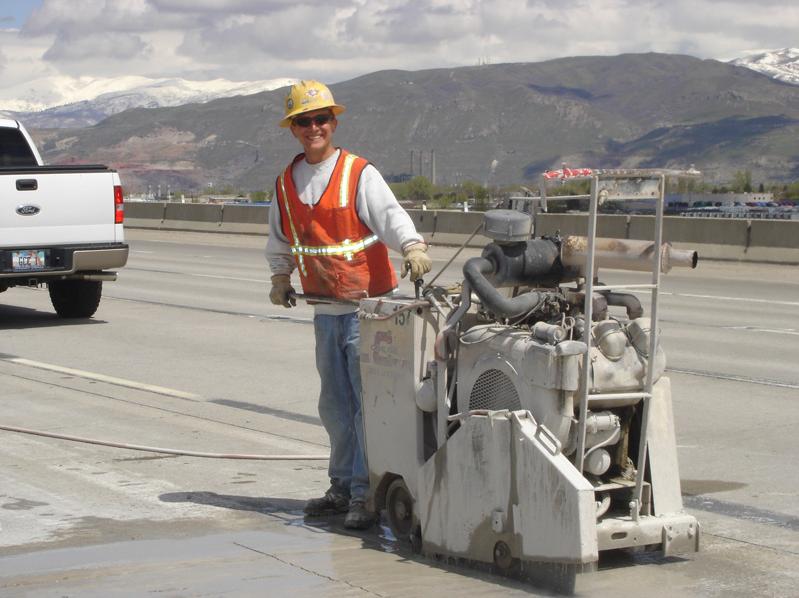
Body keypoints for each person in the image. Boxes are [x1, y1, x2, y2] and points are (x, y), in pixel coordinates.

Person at [265, 80, 432, 530]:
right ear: (293, 129)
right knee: (335, 408)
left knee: (365, 408)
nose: (314, 128)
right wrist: (280, 276)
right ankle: (340, 487)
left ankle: (364, 493)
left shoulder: (357, 173)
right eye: (304, 121)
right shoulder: (285, 182)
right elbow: (280, 237)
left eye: (321, 119)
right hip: (326, 312)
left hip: (367, 313)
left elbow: (390, 215)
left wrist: (412, 246)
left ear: (333, 123)